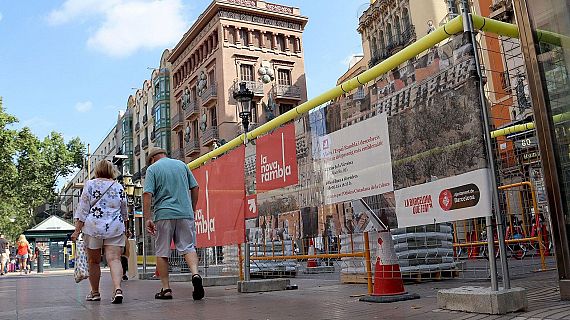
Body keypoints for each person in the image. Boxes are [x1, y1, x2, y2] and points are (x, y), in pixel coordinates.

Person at [143, 147, 204, 300]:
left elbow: (147, 194)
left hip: (163, 214)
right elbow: (195, 187)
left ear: (152, 159)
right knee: (188, 247)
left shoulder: (152, 169)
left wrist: (147, 218)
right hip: (185, 213)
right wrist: (192, 207)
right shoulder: (181, 165)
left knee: (162, 252)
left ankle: (166, 289)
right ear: (164, 154)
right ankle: (195, 274)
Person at [71, 159, 128, 304]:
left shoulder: (90, 184)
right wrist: (126, 228)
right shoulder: (118, 186)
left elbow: (83, 209)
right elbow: (124, 210)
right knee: (114, 259)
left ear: (97, 170)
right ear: (111, 171)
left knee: (94, 261)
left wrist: (77, 231)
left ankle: (95, 292)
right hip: (115, 227)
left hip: (93, 228)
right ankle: (117, 289)